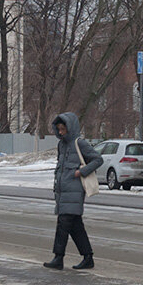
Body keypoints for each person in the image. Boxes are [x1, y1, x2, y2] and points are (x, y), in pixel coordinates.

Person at [43, 112, 103, 270]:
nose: (61, 132)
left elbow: (98, 159)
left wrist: (81, 172)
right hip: (63, 192)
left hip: (75, 191)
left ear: (70, 128)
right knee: (76, 226)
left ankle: (58, 258)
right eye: (59, 129)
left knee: (63, 224)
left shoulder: (79, 143)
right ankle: (88, 257)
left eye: (63, 129)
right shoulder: (61, 145)